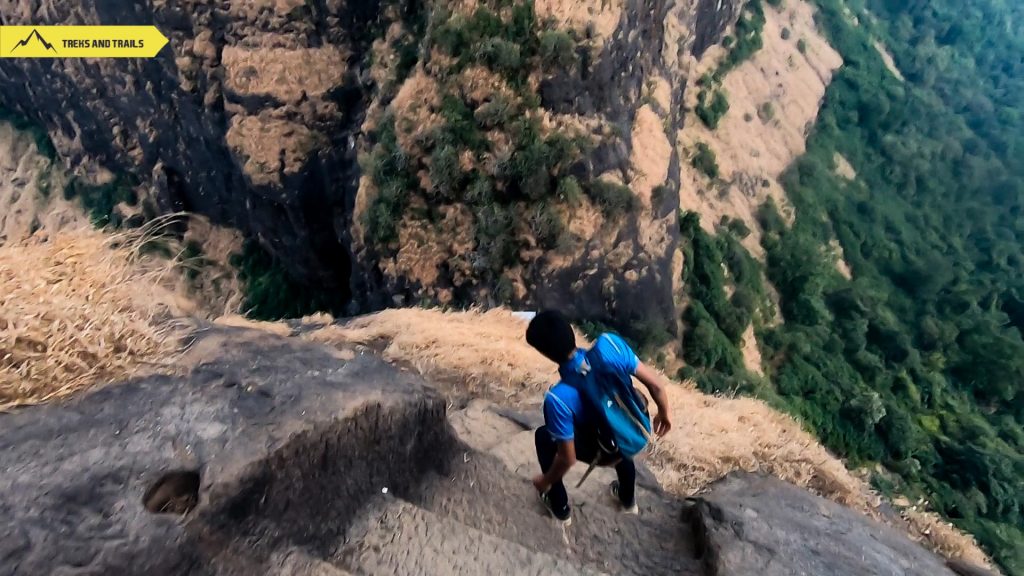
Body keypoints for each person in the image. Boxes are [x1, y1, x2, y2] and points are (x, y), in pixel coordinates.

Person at [526, 310, 672, 525]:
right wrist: (663, 413)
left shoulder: (558, 399)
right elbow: (656, 385)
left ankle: (560, 508)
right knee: (615, 423)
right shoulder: (609, 345)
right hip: (635, 430)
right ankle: (628, 502)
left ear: (545, 353)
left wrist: (545, 480)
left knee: (543, 437)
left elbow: (568, 458)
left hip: (604, 452)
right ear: (571, 331)